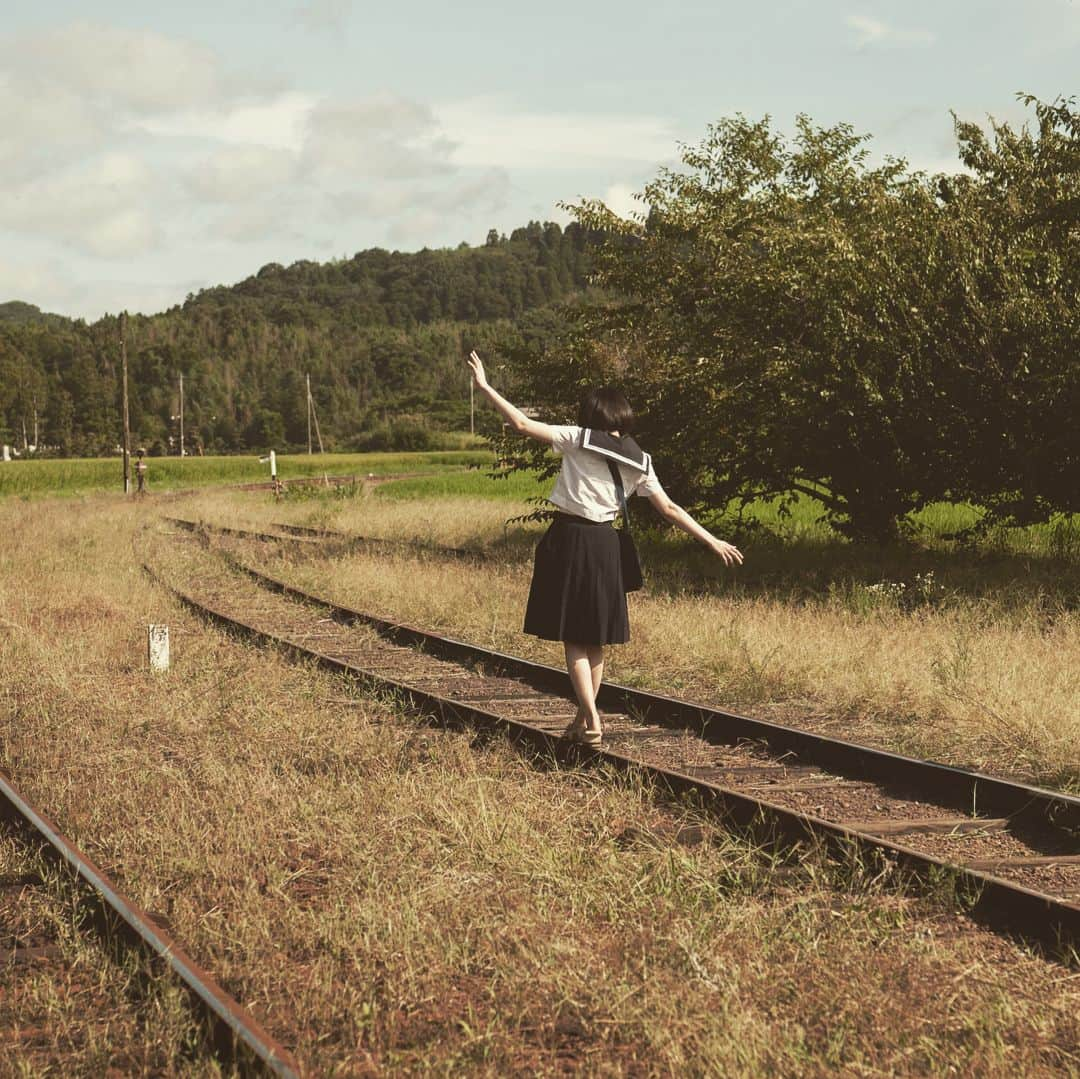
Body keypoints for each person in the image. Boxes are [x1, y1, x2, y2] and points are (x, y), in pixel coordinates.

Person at [467, 350, 743, 747]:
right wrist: (711, 540)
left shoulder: (579, 439)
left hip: (571, 538)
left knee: (574, 638)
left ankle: (592, 716)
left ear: (593, 414)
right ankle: (584, 719)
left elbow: (522, 424)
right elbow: (669, 509)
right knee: (595, 638)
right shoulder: (642, 460)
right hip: (607, 544)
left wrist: (486, 387)